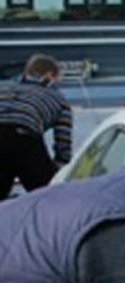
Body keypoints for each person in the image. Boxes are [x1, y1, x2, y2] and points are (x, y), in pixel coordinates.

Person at [0, 54, 72, 200]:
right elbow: (63, 143)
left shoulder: (3, 86)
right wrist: (60, 169)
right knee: (48, 198)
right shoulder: (59, 99)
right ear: (50, 75)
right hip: (24, 139)